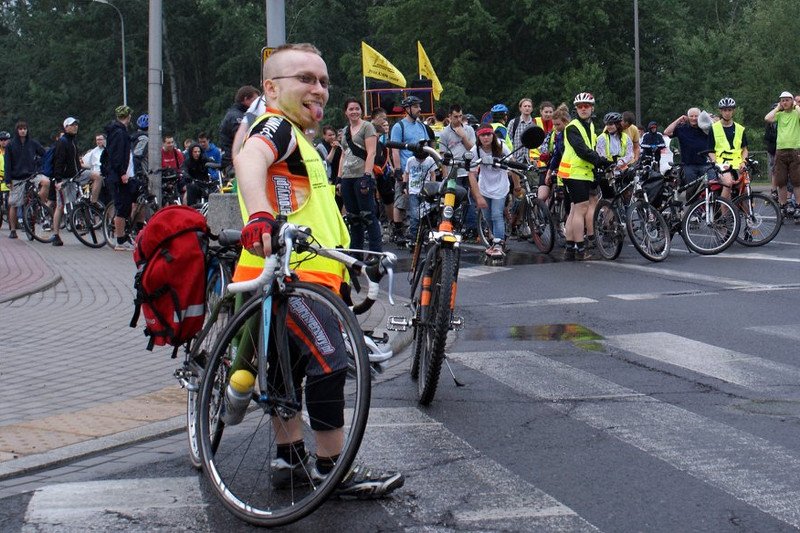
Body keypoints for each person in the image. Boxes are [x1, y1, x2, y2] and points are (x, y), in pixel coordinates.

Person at [232, 42, 403, 497]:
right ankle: (333, 468)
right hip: (292, 277)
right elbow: (250, 159)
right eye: (306, 79)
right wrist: (258, 216)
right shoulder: (276, 127)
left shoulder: (299, 137)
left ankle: (289, 459)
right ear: (271, 87)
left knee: (285, 368)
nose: (319, 90)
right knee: (330, 359)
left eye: (323, 81)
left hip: (301, 275)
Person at [558, 93, 611, 260]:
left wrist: (598, 165)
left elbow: (591, 148)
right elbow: (582, 150)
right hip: (575, 173)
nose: (583, 108)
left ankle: (570, 249)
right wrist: (601, 161)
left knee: (574, 210)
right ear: (576, 109)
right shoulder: (573, 127)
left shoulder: (589, 126)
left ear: (592, 108)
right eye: (580, 106)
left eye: (586, 106)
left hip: (581, 173)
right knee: (580, 210)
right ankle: (580, 249)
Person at [337, 97, 382, 255]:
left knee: (368, 216)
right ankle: (356, 254)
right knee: (353, 218)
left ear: (361, 111)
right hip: (348, 177)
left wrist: (367, 176)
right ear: (346, 112)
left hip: (362, 176)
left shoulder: (367, 127)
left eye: (357, 108)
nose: (354, 111)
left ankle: (376, 254)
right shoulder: (345, 131)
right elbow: (343, 155)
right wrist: (339, 179)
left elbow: (372, 152)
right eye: (351, 109)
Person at [468, 126, 519, 258]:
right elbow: (471, 175)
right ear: (478, 137)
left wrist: (517, 185)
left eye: (488, 135)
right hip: (484, 187)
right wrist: (478, 196)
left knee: (496, 214)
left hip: (501, 186)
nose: (486, 138)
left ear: (493, 135)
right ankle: (498, 237)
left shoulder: (501, 146)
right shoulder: (475, 151)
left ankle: (498, 244)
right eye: (482, 135)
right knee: (487, 217)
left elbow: (513, 165)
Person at [390, 95, 432, 245]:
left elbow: (427, 145)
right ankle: (397, 231)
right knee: (401, 201)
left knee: (423, 202)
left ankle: (420, 230)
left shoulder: (421, 126)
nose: (419, 109)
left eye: (419, 106)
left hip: (422, 169)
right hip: (407, 169)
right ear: (407, 109)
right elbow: (395, 150)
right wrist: (398, 170)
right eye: (415, 107)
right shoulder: (398, 126)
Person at [438, 104, 477, 236]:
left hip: (468, 169)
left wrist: (463, 136)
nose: (458, 119)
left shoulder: (469, 130)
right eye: (455, 117)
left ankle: (471, 227)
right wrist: (445, 174)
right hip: (453, 171)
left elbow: (473, 149)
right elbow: (442, 155)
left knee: (471, 198)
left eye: (460, 116)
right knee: (454, 198)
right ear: (449, 117)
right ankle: (453, 223)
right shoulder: (445, 133)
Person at [3, 121, 47, 239]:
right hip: (17, 178)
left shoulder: (33, 143)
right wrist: (8, 180)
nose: (23, 130)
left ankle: (41, 203)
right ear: (17, 130)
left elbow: (44, 154)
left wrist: (39, 164)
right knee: (14, 204)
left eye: (25, 128)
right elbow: (7, 164)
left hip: (32, 175)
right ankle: (13, 230)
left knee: (46, 182)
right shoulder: (10, 145)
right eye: (20, 129)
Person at [104, 105, 136, 251]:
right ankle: (119, 240)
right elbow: (117, 156)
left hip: (119, 174)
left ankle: (123, 238)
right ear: (128, 117)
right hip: (118, 176)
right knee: (122, 206)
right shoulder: (119, 133)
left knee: (126, 205)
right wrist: (122, 172)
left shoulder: (117, 131)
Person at [765, 91, 800, 218]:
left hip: (795, 150)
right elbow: (767, 118)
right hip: (780, 151)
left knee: (796, 181)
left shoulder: (796, 113)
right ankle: (783, 205)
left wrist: (796, 105)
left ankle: (798, 206)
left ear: (792, 101)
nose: (784, 102)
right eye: (782, 100)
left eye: (787, 100)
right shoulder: (779, 115)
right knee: (781, 181)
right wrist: (778, 108)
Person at [50, 117, 83, 246]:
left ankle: (92, 203)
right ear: (66, 127)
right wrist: (58, 180)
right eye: (72, 125)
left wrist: (80, 171)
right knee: (60, 205)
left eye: (76, 124)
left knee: (96, 176)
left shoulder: (73, 141)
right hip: (63, 179)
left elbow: (75, 161)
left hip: (75, 176)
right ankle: (56, 234)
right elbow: (58, 161)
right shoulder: (63, 142)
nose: (75, 127)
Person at [708, 97, 747, 200]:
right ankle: (725, 215)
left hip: (737, 163)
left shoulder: (740, 128)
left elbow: (745, 149)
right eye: (725, 110)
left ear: (733, 111)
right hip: (722, 163)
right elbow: (710, 150)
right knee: (728, 183)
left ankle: (747, 215)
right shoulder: (714, 128)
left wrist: (743, 161)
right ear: (721, 111)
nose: (727, 113)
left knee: (745, 189)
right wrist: (715, 162)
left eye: (729, 110)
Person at [218, 85, 260, 175]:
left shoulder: (246, 114)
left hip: (240, 161)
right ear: (246, 99)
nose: (258, 104)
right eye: (255, 100)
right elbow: (244, 139)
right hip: (233, 164)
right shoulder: (236, 116)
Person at [663, 107, 710, 185]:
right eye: (691, 116)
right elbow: (667, 132)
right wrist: (679, 120)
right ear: (687, 117)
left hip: (705, 164)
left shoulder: (705, 128)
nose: (694, 118)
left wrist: (708, 118)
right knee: (691, 188)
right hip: (689, 165)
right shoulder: (682, 128)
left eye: (696, 116)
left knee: (707, 188)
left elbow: (718, 127)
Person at [404, 149, 437, 243]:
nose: (421, 160)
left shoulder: (430, 160)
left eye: (423, 159)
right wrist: (404, 186)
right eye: (419, 159)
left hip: (425, 191)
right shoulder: (410, 160)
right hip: (413, 191)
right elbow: (406, 173)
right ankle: (414, 237)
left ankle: (426, 235)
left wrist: (433, 186)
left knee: (426, 214)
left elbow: (433, 173)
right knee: (414, 215)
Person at [539, 104, 570, 204]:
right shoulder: (552, 133)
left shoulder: (569, 133)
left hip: (566, 170)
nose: (555, 127)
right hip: (552, 166)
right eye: (554, 125)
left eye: (557, 125)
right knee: (542, 196)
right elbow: (555, 153)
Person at [80, 132, 106, 205]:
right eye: (97, 140)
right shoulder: (93, 152)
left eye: (100, 139)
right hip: (97, 176)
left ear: (105, 140)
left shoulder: (110, 149)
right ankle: (94, 203)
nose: (98, 141)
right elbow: (82, 162)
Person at [507, 98, 535, 164]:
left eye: (529, 106)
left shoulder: (535, 123)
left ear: (532, 109)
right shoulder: (513, 122)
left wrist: (535, 159)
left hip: (530, 161)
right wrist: (510, 157)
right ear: (520, 108)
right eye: (525, 106)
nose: (527, 108)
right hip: (515, 159)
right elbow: (507, 141)